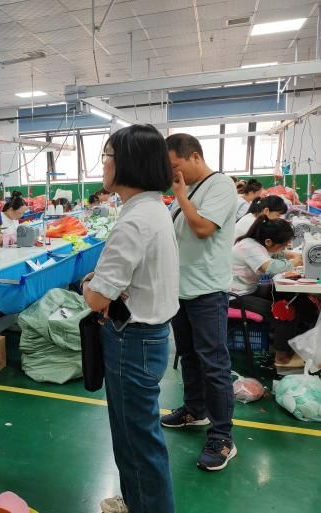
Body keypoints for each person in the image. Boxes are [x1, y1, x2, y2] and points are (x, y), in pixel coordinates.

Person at [82, 124, 178, 513]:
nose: (104, 164)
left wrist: (89, 285)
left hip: (132, 342)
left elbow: (96, 298)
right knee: (134, 436)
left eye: (107, 156)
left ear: (128, 163)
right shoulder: (152, 209)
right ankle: (138, 500)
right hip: (147, 336)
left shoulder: (135, 220)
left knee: (137, 441)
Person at [162, 133, 238, 471]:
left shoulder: (219, 185)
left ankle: (223, 437)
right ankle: (195, 410)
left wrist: (180, 195)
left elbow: (204, 229)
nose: (173, 173)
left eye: (175, 165)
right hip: (181, 290)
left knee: (214, 365)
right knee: (189, 356)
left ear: (195, 156)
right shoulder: (187, 191)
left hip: (207, 291)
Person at [231, 217, 310, 368]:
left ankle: (292, 342)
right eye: (283, 244)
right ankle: (281, 357)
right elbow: (270, 267)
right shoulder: (249, 247)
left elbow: (274, 254)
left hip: (248, 289)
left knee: (293, 298)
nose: (284, 247)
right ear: (268, 241)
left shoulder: (256, 244)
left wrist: (288, 255)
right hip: (235, 296)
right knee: (284, 312)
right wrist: (293, 262)